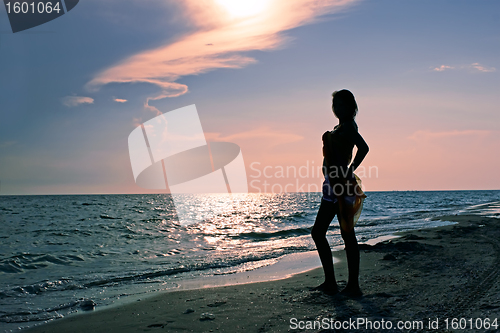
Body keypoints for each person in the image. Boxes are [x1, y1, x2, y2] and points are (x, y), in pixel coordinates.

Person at [311, 89, 369, 297]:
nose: (337, 108)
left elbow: (364, 148)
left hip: (342, 186)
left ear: (351, 107)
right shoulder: (340, 127)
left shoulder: (349, 127)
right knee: (322, 232)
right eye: (335, 104)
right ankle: (332, 283)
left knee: (342, 234)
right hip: (331, 185)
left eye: (341, 104)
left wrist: (351, 169)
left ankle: (351, 286)